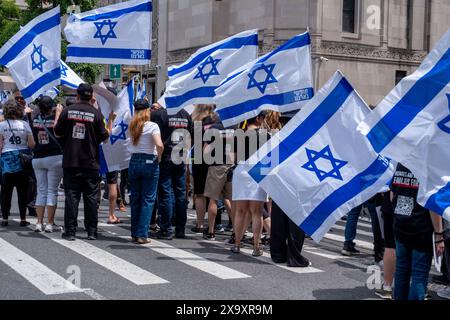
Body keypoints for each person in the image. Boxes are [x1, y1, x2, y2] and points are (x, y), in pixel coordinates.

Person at [54, 83, 114, 241]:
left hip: (71, 161)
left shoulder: (67, 111)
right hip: (91, 162)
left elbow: (58, 131)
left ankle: (70, 231)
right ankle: (92, 232)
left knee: (72, 197)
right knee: (91, 198)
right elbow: (104, 136)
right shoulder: (96, 113)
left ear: (77, 95)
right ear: (91, 96)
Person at [390, 163, 444, 300]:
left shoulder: (401, 163)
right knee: (419, 274)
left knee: (402, 270)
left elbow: (392, 195)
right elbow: (434, 202)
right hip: (421, 226)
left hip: (401, 223)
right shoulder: (427, 166)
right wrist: (439, 233)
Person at [231, 112, 273, 256]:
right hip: (258, 171)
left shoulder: (239, 134)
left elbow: (233, 157)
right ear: (258, 118)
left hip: (241, 171)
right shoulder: (265, 135)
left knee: (240, 211)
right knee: (257, 212)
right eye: (263, 118)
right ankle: (256, 246)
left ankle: (237, 244)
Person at [152, 107, 193, 240]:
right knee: (180, 194)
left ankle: (166, 229)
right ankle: (180, 229)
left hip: (165, 157)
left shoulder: (160, 114)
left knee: (165, 194)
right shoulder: (185, 114)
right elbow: (192, 135)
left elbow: (154, 136)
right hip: (180, 157)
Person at [128, 99, 163, 244]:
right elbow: (159, 144)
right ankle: (142, 234)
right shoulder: (152, 126)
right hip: (149, 161)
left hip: (134, 161)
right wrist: (159, 157)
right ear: (147, 110)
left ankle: (135, 233)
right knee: (148, 199)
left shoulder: (132, 125)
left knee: (135, 198)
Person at [31, 96, 64, 233]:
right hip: (54, 157)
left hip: (38, 158)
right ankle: (50, 223)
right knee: (52, 191)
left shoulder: (35, 120)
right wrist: (58, 114)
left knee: (41, 191)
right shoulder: (54, 119)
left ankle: (39, 222)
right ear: (52, 107)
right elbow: (59, 131)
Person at [0, 99, 35, 227]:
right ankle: (22, 218)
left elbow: (0, 145)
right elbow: (32, 144)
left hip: (6, 158)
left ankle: (4, 218)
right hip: (23, 159)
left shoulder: (2, 125)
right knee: (22, 190)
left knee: (6, 190)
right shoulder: (25, 125)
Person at [202, 113, 234, 241]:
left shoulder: (213, 128)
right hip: (230, 166)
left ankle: (210, 231)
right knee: (230, 201)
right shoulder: (234, 127)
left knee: (213, 199)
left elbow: (205, 150)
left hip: (216, 165)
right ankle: (237, 232)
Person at [190, 105, 216, 233]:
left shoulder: (197, 122)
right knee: (215, 196)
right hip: (216, 160)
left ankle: (200, 224)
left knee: (200, 194)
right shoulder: (216, 121)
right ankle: (214, 225)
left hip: (200, 159)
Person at [341, 195, 385, 264]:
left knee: (353, 214)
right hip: (370, 190)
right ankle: (377, 247)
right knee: (374, 216)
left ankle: (347, 245)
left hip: (357, 190)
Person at [374, 191, 396, 300]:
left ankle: (387, 287)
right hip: (417, 209)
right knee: (417, 248)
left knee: (390, 247)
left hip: (392, 207)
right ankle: (420, 288)